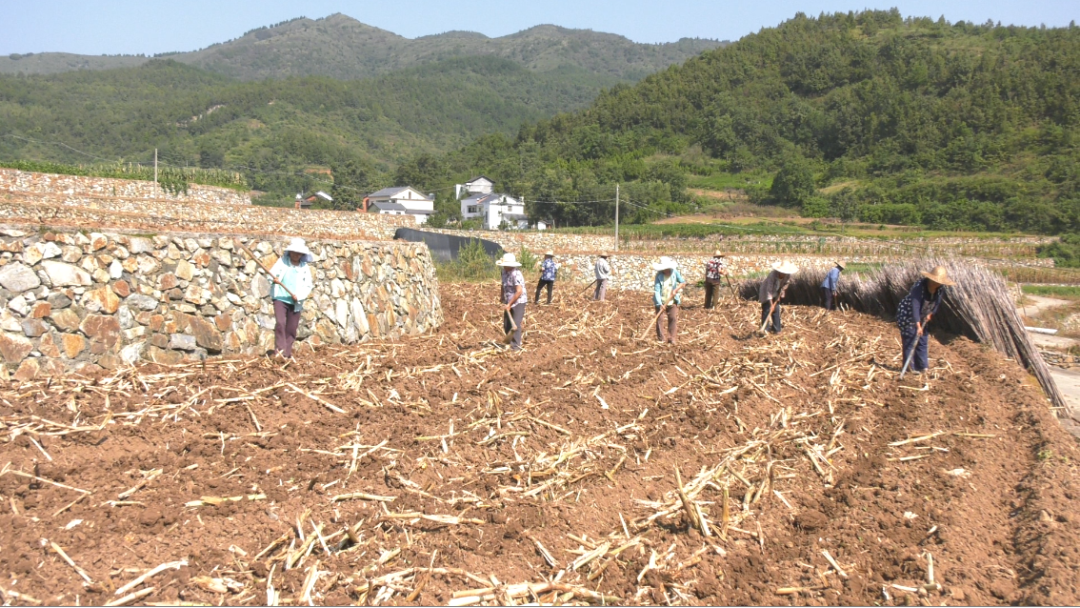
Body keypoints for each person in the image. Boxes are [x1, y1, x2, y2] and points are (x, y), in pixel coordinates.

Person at [896, 266, 954, 374]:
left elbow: (936, 303)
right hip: (908, 315)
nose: (938, 284)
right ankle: (909, 368)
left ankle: (922, 367)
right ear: (931, 280)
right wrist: (918, 325)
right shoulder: (919, 287)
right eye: (936, 282)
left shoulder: (940, 289)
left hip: (923, 315)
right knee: (911, 339)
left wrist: (931, 313)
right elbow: (915, 306)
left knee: (922, 340)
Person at [270, 238, 314, 358]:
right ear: (290, 252)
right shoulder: (282, 262)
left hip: (295, 302)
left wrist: (299, 296)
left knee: (291, 328)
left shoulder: (304, 268)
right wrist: (274, 280)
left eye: (299, 253)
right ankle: (280, 351)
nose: (296, 255)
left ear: (302, 255)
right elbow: (272, 274)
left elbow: (308, 285)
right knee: (280, 323)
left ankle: (286, 354)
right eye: (294, 252)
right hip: (280, 298)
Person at [497, 252, 527, 351]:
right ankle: (509, 342)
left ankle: (516, 347)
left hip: (519, 301)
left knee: (516, 324)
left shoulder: (516, 274)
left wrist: (510, 304)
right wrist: (502, 296)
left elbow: (519, 291)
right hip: (509, 299)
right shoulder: (504, 272)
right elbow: (503, 284)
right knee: (507, 324)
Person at [653, 256, 686, 344]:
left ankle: (672, 338)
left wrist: (676, 289)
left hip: (672, 300)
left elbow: (683, 282)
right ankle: (661, 339)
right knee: (660, 320)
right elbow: (657, 291)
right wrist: (660, 304)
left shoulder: (674, 273)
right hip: (661, 301)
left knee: (673, 318)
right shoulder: (659, 276)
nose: (666, 270)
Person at [759, 261, 798, 333]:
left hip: (777, 291)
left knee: (776, 309)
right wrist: (771, 304)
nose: (783, 274)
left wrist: (781, 292)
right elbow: (769, 290)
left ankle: (777, 329)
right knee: (767, 309)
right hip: (766, 292)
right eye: (782, 272)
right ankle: (765, 330)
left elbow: (786, 284)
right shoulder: (772, 275)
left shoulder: (787, 275)